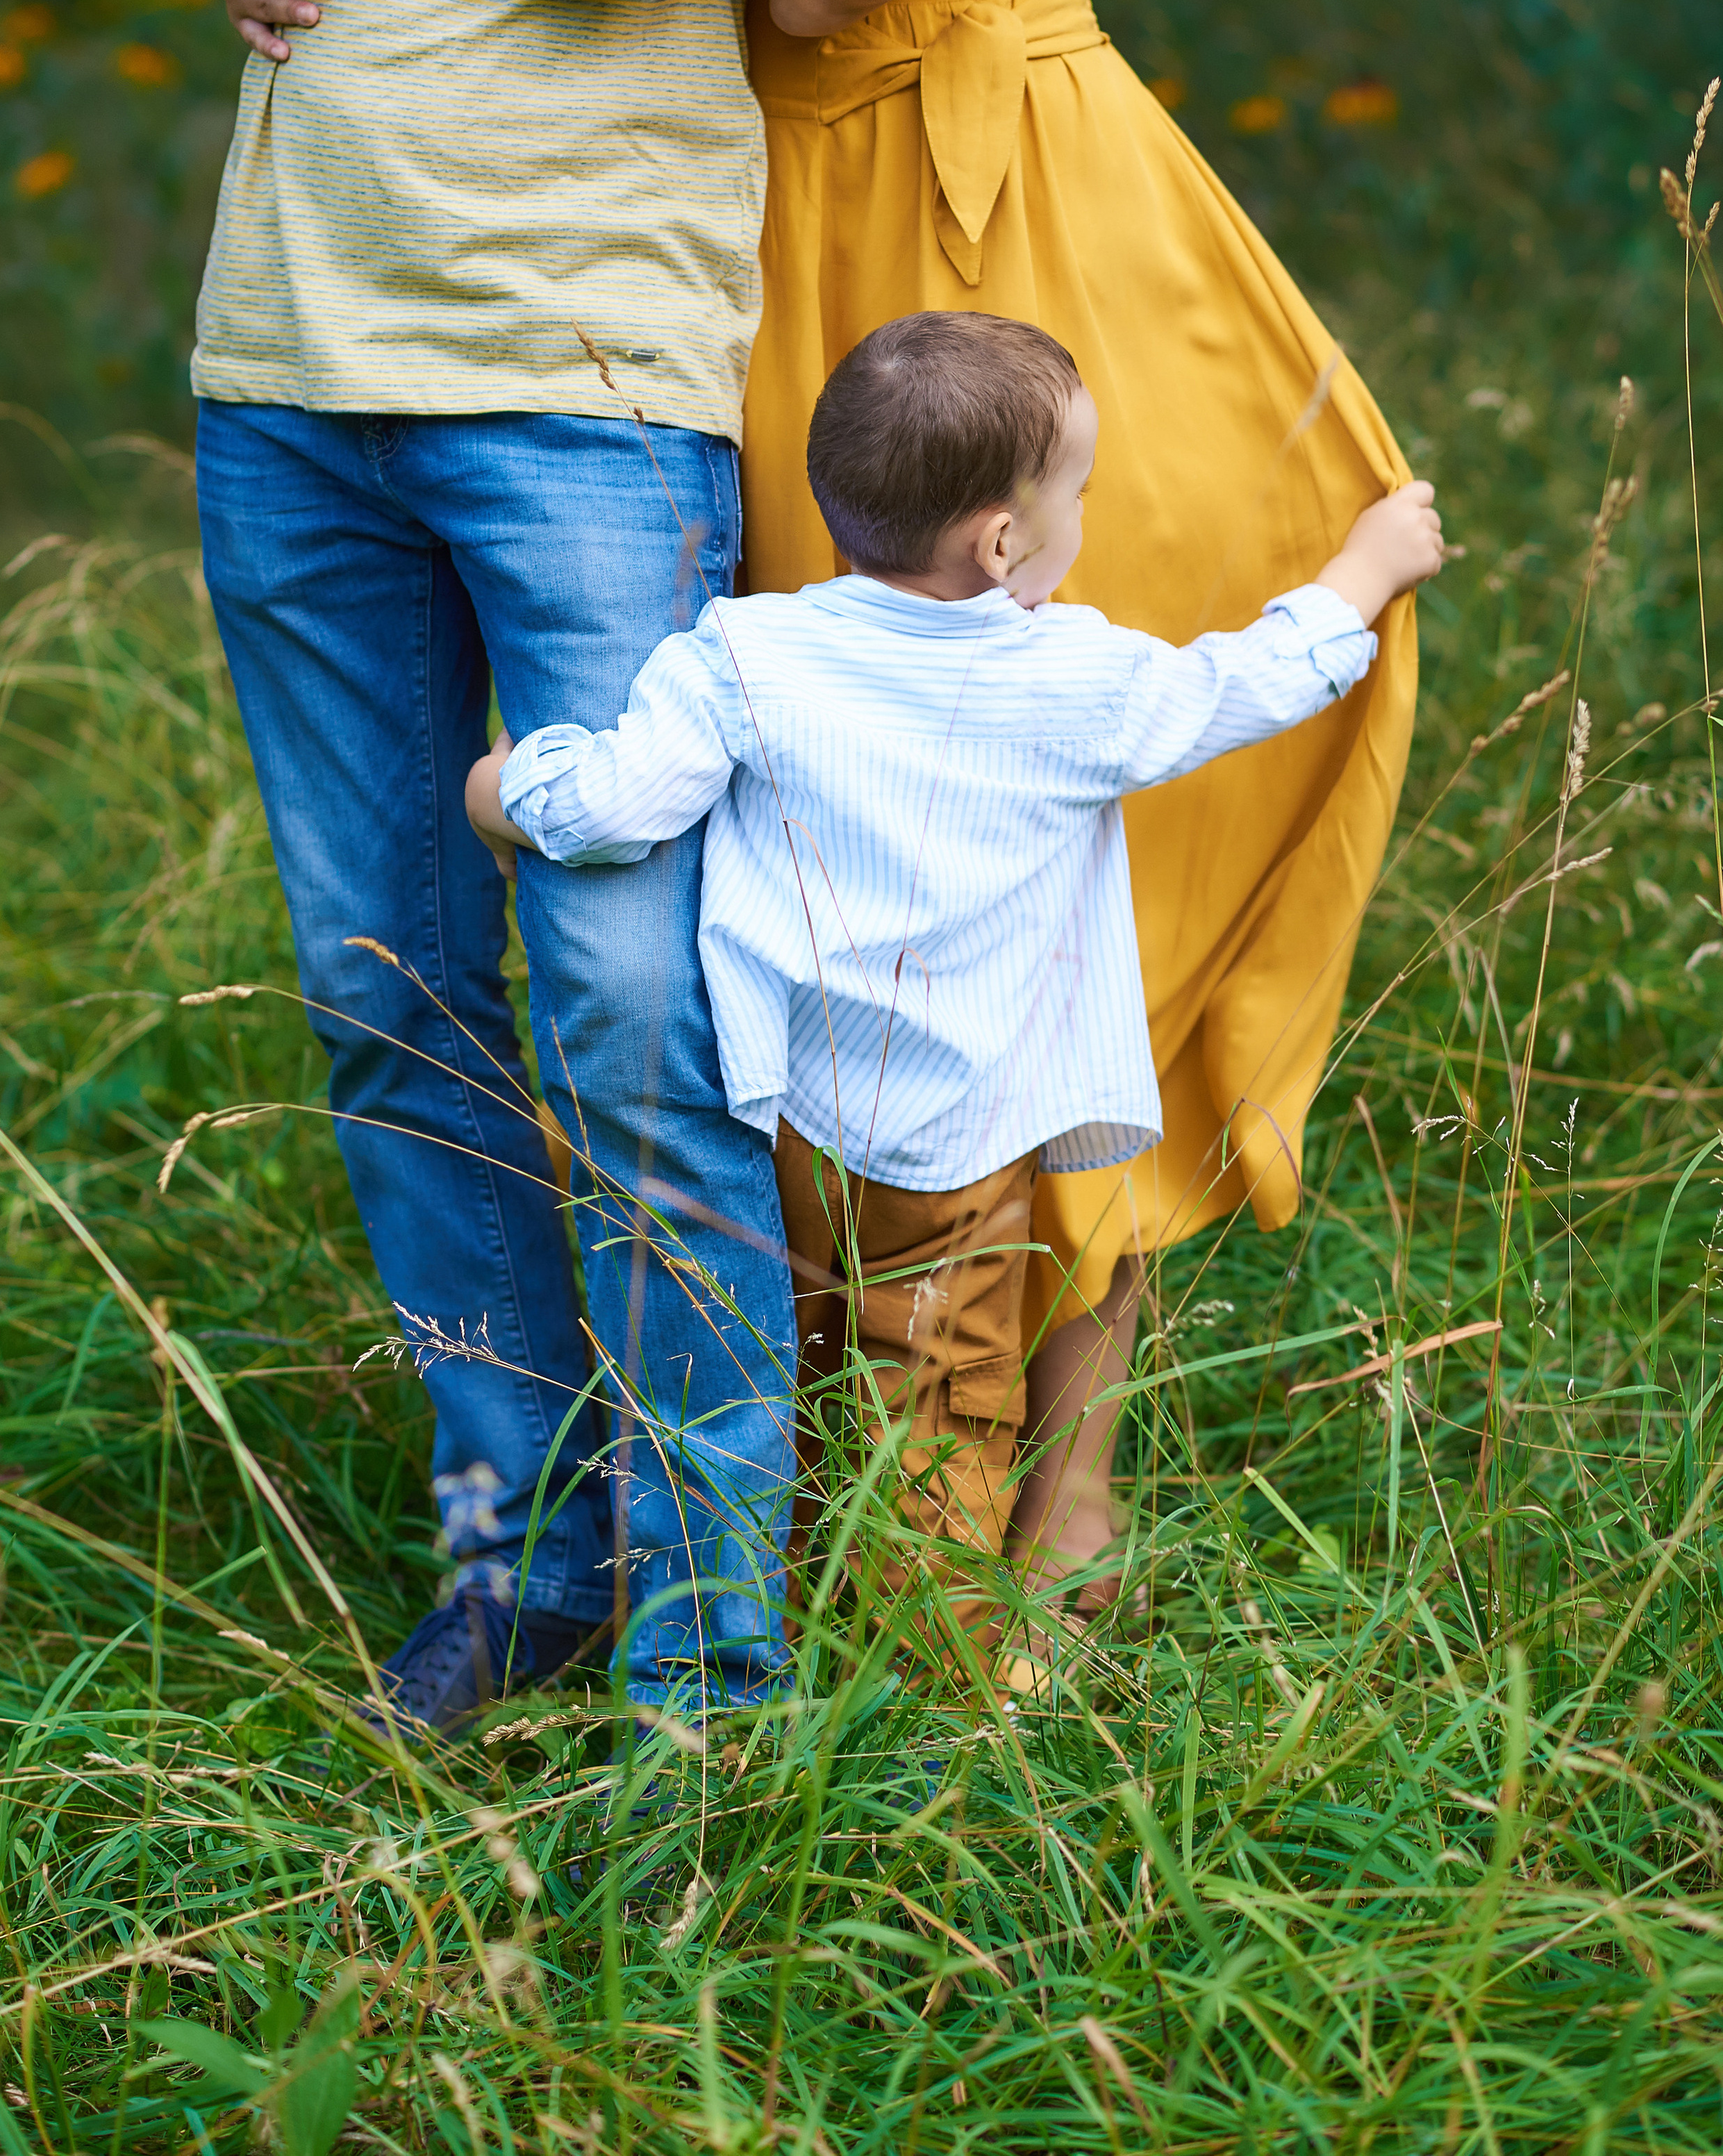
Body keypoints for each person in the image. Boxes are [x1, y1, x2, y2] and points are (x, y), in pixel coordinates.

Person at [221, 0, 1420, 1619]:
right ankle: (767, 1471)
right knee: (803, 846)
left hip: (1007, 239)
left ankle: (1062, 1486)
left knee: (1072, 867)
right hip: (715, 241)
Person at [78, 0, 801, 1734]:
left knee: (625, 1009)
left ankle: (711, 1639)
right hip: (287, 363)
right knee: (389, 998)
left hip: (590, 375)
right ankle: (526, 1557)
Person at [463, 315, 1445, 1660]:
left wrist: (506, 787)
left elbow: (620, 798)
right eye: (1079, 495)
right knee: (937, 1409)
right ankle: (947, 1684)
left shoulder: (743, 652)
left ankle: (770, 1613)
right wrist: (1360, 569)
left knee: (785, 1367)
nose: (1083, 519)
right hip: (957, 1157)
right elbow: (1241, 684)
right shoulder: (1071, 677)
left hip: (785, 1125)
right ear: (999, 543)